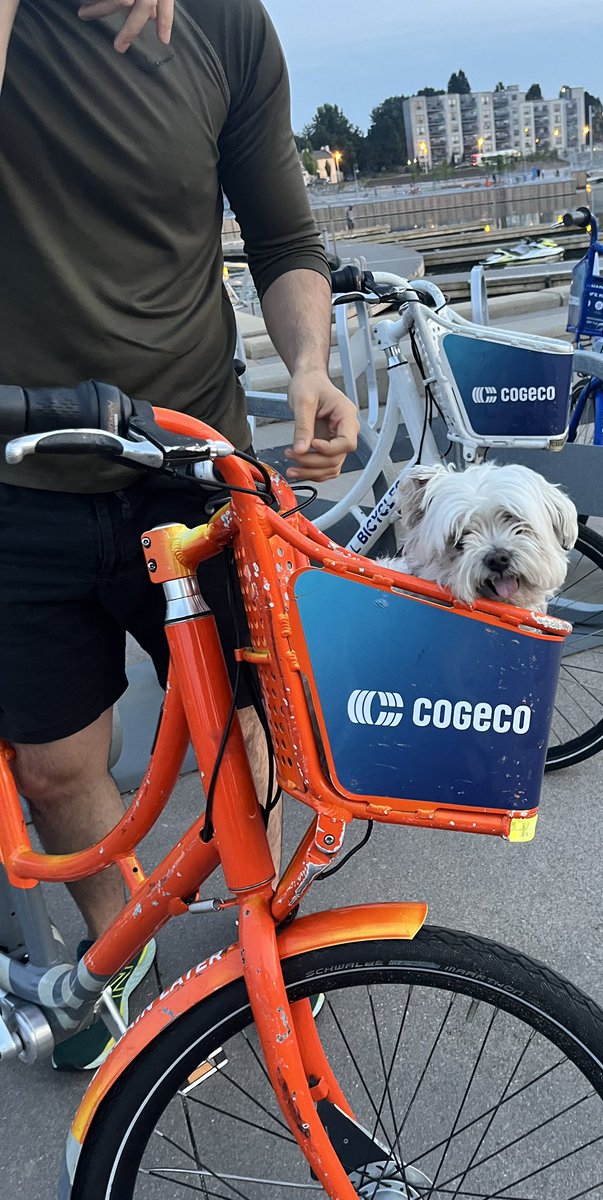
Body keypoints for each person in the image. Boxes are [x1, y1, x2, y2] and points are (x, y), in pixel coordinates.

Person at [0, 0, 359, 1069]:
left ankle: (268, 943)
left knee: (258, 724)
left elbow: (287, 238)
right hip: (20, 479)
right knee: (60, 768)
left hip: (191, 458)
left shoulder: (225, 24)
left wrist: (307, 365)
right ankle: (128, 969)